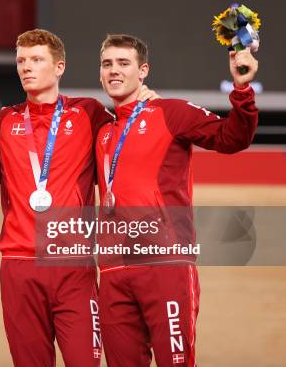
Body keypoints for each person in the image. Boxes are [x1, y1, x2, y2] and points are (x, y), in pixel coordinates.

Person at [0, 28, 160, 366]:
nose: (26, 68)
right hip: (19, 267)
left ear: (59, 67)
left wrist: (146, 108)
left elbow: (129, 140)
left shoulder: (88, 114)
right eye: (21, 60)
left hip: (72, 265)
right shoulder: (4, 121)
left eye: (36, 60)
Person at [94, 34, 258, 366]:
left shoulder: (171, 113)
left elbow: (232, 138)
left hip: (164, 265)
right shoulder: (103, 132)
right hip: (112, 272)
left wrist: (241, 89)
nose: (113, 71)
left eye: (123, 63)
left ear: (143, 71)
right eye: (107, 64)